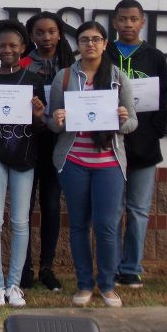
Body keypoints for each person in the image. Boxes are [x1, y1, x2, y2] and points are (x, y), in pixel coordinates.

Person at [48, 21, 137, 308]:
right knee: (78, 225)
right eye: (84, 39)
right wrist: (57, 119)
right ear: (78, 44)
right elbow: (51, 122)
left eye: (95, 39)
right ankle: (85, 284)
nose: (90, 44)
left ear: (105, 43)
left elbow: (133, 122)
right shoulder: (64, 77)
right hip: (74, 161)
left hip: (108, 162)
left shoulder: (118, 78)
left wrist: (123, 119)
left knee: (107, 226)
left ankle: (108, 285)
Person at [0, 20, 45, 308]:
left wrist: (39, 115)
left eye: (14, 45)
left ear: (24, 47)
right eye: (2, 45)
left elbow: (40, 127)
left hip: (25, 157)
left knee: (20, 221)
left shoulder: (34, 79)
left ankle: (14, 284)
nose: (7, 49)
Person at [106, 0, 167, 289]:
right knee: (113, 210)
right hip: (109, 143)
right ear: (114, 22)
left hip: (145, 144)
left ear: (143, 22)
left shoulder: (154, 56)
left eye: (134, 19)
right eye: (123, 19)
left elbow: (164, 96)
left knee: (138, 210)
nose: (128, 24)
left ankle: (131, 268)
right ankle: (112, 266)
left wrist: (156, 130)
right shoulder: (105, 53)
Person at [20, 11, 75, 292]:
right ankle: (25, 267)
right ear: (31, 36)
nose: (46, 37)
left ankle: (47, 267)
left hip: (57, 144)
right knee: (25, 208)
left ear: (59, 33)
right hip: (28, 143)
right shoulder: (22, 64)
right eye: (39, 32)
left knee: (51, 206)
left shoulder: (70, 66)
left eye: (51, 31)